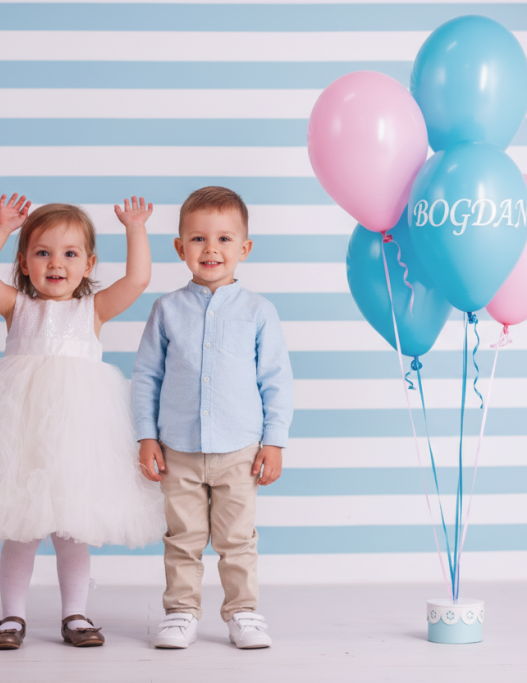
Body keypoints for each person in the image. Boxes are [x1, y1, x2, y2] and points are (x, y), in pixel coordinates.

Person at [0, 194, 164, 650]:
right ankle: (11, 617)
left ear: (89, 264)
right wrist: (1, 228)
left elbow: (137, 279)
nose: (56, 263)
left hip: (77, 438)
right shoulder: (17, 307)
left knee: (73, 530)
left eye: (70, 254)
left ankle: (76, 614)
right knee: (21, 528)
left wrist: (135, 228)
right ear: (24, 262)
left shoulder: (93, 310)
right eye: (42, 252)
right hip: (20, 437)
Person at [132, 186, 294, 650]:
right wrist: (146, 437)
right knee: (182, 538)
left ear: (244, 248)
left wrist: (274, 441)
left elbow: (276, 380)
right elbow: (146, 377)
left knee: (237, 539)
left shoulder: (259, 311)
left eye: (224, 239)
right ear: (180, 247)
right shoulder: (166, 309)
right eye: (198, 239)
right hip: (177, 448)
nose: (211, 249)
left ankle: (243, 612)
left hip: (240, 449)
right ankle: (181, 612)